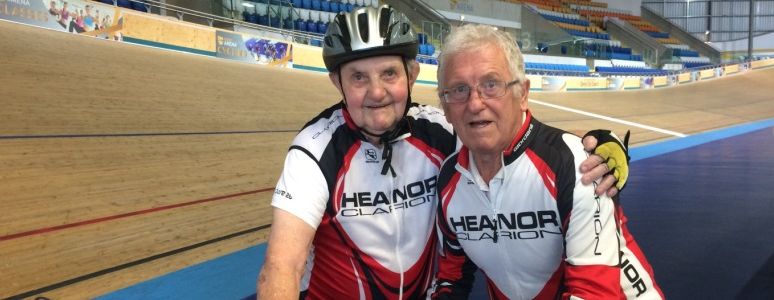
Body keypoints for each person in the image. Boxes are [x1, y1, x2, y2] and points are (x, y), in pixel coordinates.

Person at [257, 6, 629, 299]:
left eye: (389, 74)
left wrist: (597, 143)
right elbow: (282, 266)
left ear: (412, 74)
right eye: (358, 78)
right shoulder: (314, 149)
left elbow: (511, 127)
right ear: (336, 82)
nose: (376, 93)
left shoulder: (440, 129)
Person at [429, 24, 663, 299]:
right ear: (445, 106)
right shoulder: (448, 180)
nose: (474, 103)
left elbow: (593, 291)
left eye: (491, 84)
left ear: (523, 94)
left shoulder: (574, 164)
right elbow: (452, 277)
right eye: (458, 90)